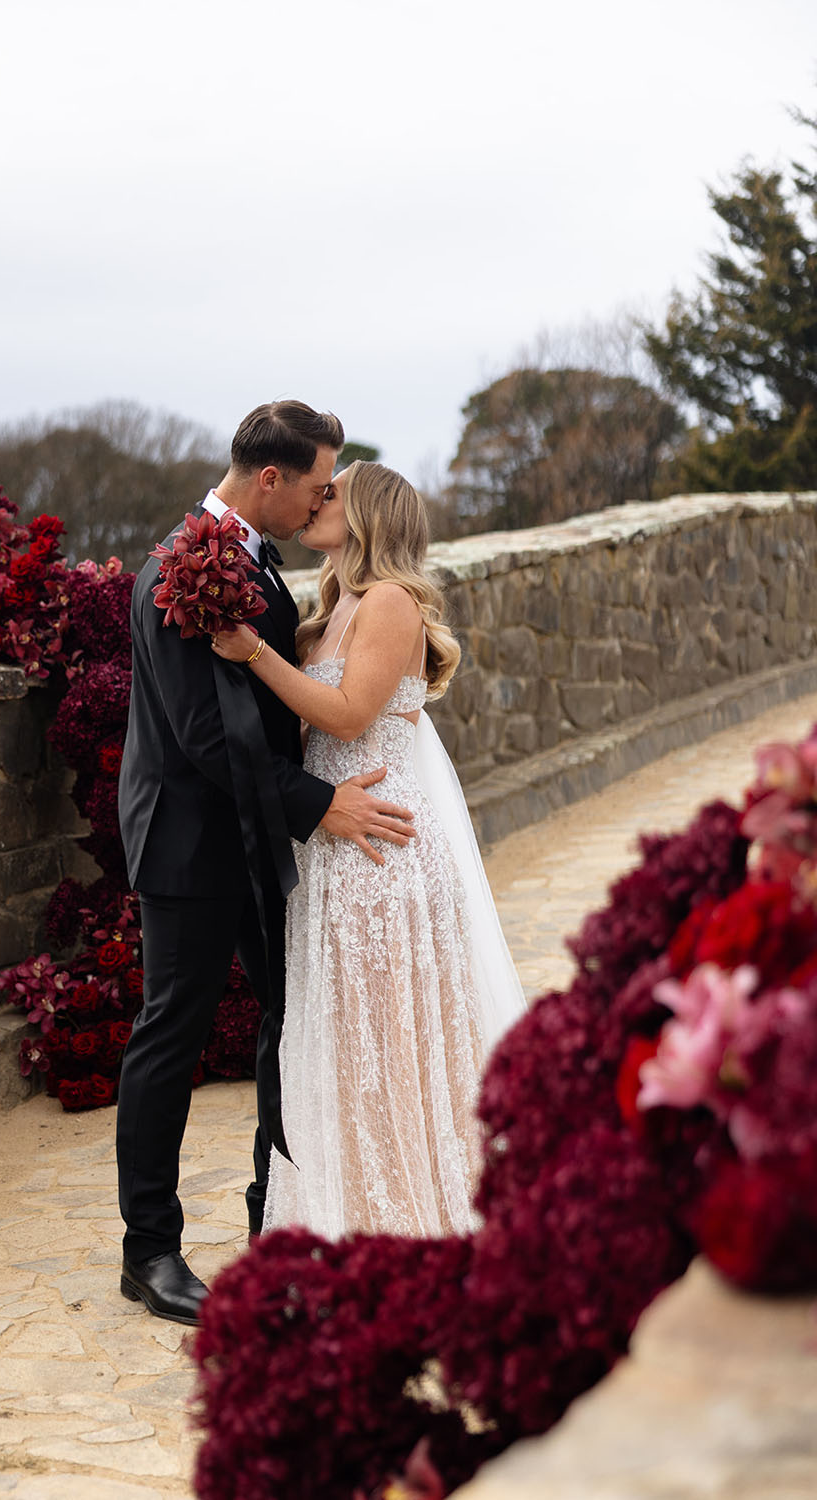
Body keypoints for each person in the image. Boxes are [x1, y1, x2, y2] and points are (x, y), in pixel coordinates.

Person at [116, 405, 418, 1325]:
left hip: (262, 837)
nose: (329, 497)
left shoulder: (256, 566)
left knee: (291, 1024)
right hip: (189, 841)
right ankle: (150, 1252)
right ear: (272, 480)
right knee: (173, 1030)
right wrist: (321, 806)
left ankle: (272, 1217)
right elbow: (204, 735)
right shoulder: (180, 567)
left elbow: (271, 700)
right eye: (322, 482)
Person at [212, 460, 526, 1237]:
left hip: (383, 848)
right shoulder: (325, 612)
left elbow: (350, 716)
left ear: (370, 515)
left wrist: (253, 653)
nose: (319, 500)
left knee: (389, 1038)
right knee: (343, 1043)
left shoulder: (391, 602)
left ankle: (414, 1217)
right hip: (330, 847)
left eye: (334, 493)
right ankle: (349, 1210)